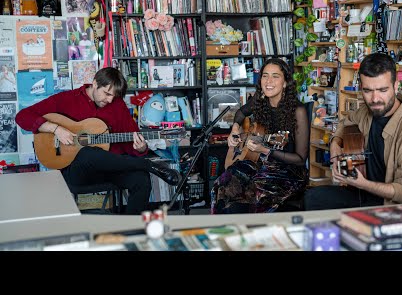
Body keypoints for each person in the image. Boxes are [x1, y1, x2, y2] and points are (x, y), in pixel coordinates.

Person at [15, 67, 180, 215]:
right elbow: (22, 117)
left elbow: (131, 140)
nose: (109, 100)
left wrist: (141, 148)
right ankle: (148, 164)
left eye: (113, 96)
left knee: (141, 179)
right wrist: (56, 129)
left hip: (112, 169)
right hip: (78, 173)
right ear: (95, 83)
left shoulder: (117, 105)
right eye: (107, 94)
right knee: (87, 153)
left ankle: (132, 231)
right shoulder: (66, 99)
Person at [304, 53, 402, 210]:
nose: (375, 99)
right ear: (361, 87)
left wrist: (365, 184)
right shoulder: (367, 111)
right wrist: (335, 145)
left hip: (392, 206)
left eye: (382, 90)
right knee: (311, 198)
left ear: (396, 86)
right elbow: (345, 123)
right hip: (361, 192)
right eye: (368, 91)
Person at [211, 58, 309, 214]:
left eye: (275, 76)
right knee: (223, 183)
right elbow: (241, 112)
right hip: (259, 162)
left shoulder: (298, 111)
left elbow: (300, 159)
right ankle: (226, 232)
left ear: (285, 83)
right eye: (265, 75)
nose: (269, 81)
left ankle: (255, 233)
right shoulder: (260, 99)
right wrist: (235, 129)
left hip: (288, 171)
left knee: (252, 190)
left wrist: (266, 150)